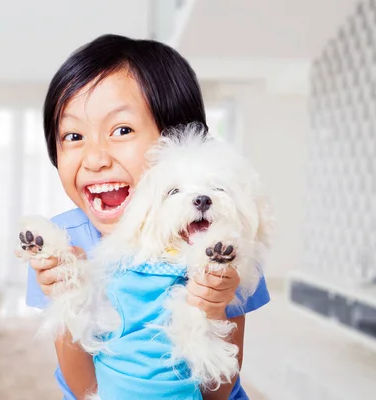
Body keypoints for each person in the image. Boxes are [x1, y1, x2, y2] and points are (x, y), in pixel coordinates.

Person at [25, 34, 269, 400]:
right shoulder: (62, 239)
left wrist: (212, 310)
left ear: (179, 141)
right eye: (73, 135)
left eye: (121, 130)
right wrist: (67, 299)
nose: (95, 159)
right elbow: (81, 388)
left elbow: (218, 392)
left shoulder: (222, 236)